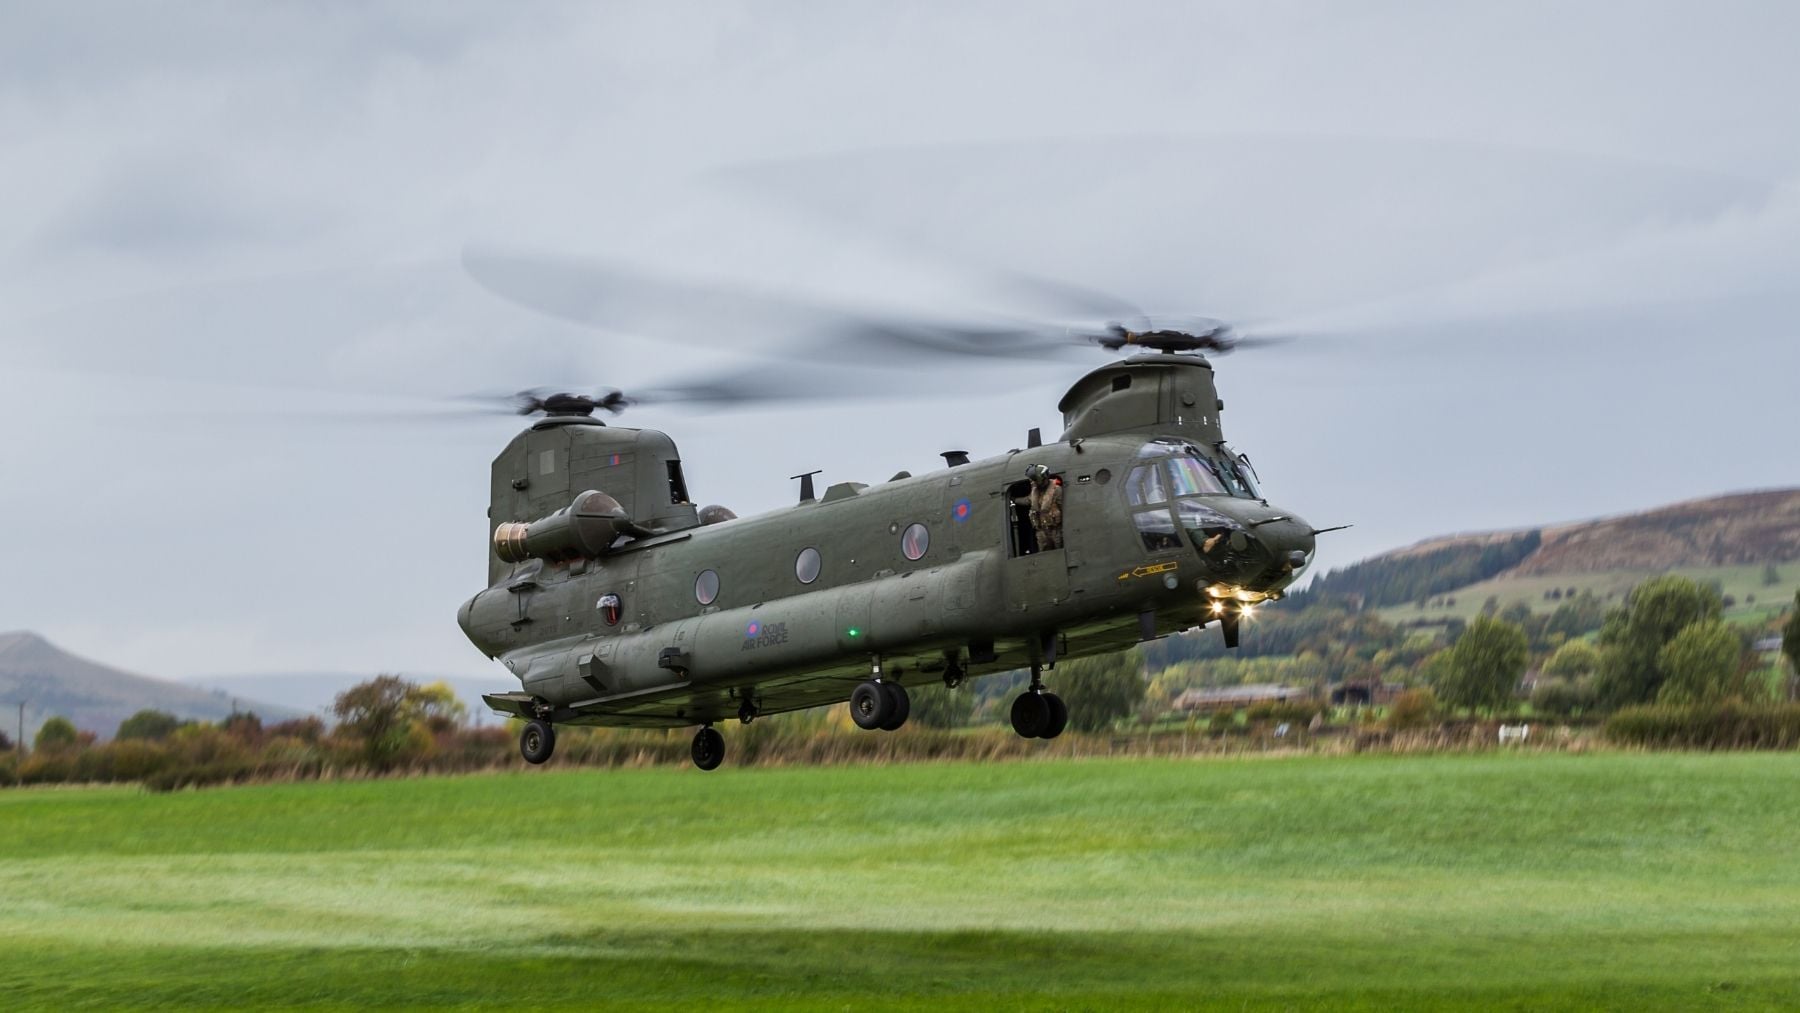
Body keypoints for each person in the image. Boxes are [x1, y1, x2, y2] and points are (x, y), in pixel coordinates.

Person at [1026, 464, 1064, 551]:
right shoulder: (1035, 492)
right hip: (1041, 531)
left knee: (1058, 549)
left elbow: (1062, 507)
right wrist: (1014, 499)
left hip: (1055, 529)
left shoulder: (1056, 490)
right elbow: (1027, 500)